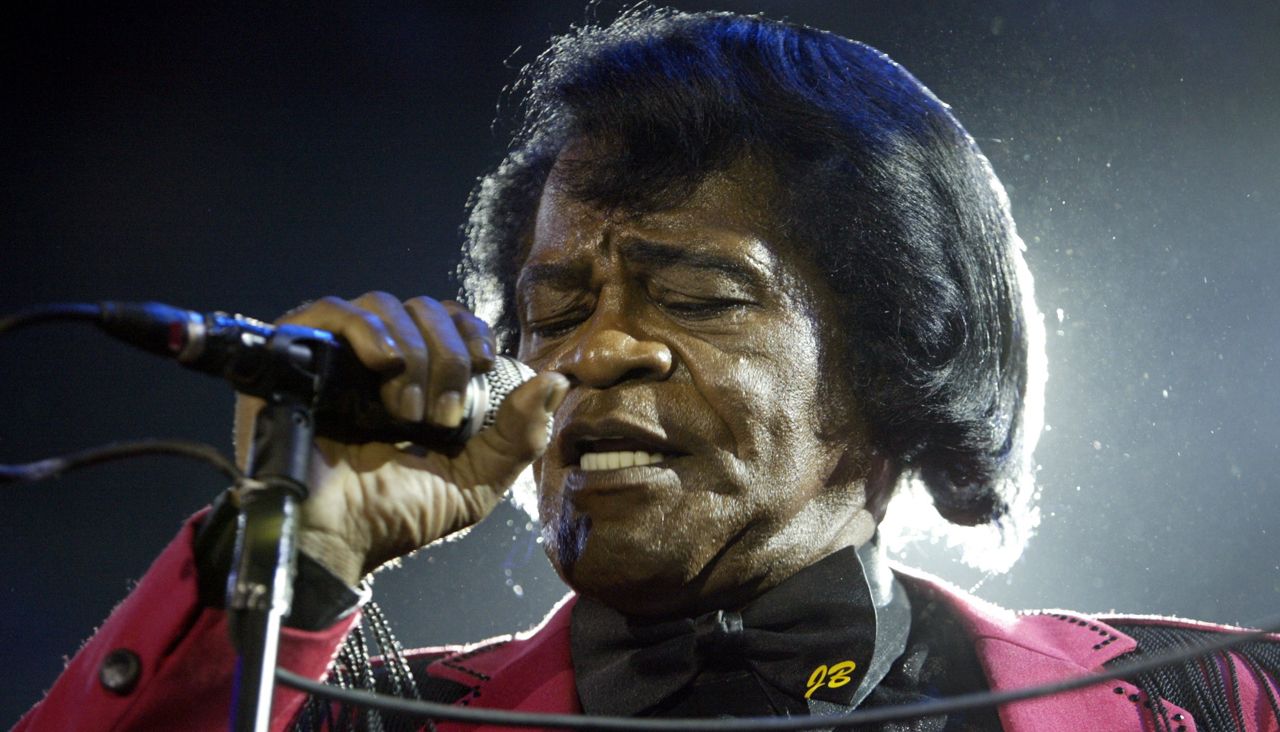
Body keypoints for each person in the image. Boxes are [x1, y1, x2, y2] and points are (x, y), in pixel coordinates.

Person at [18, 8, 1280, 731]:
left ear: (897, 358)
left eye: (698, 296)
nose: (595, 351)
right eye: (553, 309)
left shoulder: (1207, 702)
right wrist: (296, 552)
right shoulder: (367, 723)